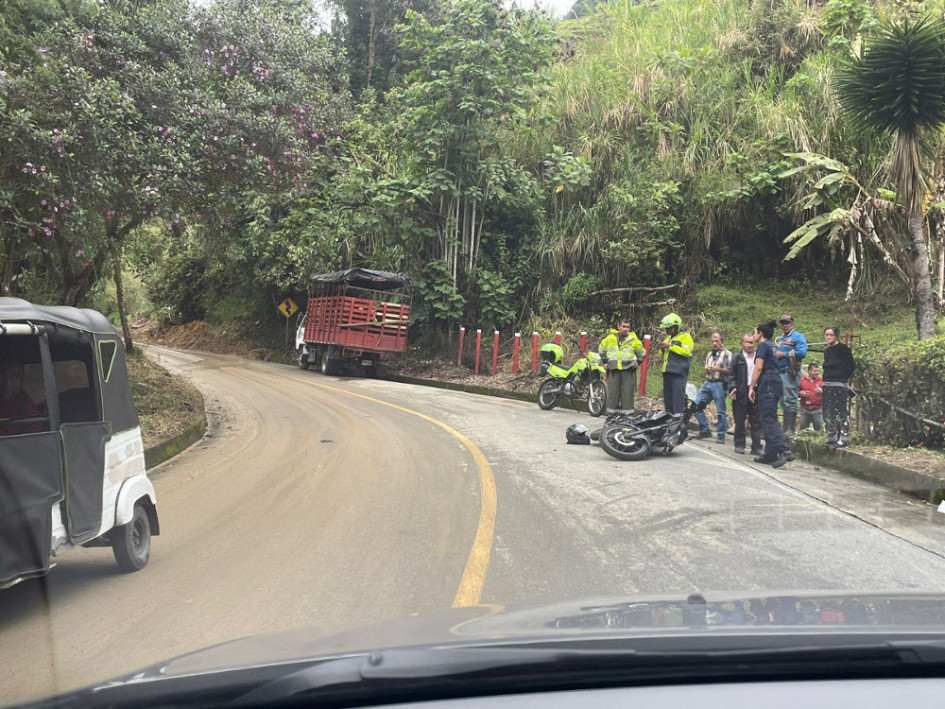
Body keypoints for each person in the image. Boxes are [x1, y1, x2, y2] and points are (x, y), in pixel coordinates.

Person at [749, 320, 794, 468]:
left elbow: (758, 367)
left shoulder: (763, 345)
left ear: (760, 334)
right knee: (771, 417)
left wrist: (751, 386)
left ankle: (785, 450)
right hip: (775, 383)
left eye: (754, 332)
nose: (753, 335)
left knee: (767, 419)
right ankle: (770, 453)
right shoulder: (771, 346)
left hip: (767, 383)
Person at [598, 317, 646, 416]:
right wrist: (605, 362)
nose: (625, 329)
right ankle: (611, 417)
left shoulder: (633, 339)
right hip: (614, 370)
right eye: (623, 326)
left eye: (627, 327)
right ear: (618, 326)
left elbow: (642, 352)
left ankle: (627, 418)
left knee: (627, 395)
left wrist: (639, 362)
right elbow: (601, 349)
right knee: (613, 395)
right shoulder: (610, 338)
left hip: (628, 370)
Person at [728, 333, 763, 455]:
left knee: (756, 421)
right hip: (741, 391)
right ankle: (739, 444)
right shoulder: (737, 358)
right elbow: (731, 375)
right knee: (740, 420)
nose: (749, 345)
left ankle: (756, 446)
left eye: (752, 342)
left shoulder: (759, 357)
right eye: (747, 342)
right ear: (742, 343)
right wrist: (732, 388)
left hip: (756, 391)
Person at [694, 332, 732, 443]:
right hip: (708, 382)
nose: (714, 343)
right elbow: (707, 367)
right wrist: (708, 370)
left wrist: (718, 369)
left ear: (722, 342)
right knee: (696, 405)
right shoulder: (710, 354)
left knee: (720, 411)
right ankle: (705, 430)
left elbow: (731, 371)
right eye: (713, 341)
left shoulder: (727, 354)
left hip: (720, 383)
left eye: (717, 341)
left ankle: (721, 435)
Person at [822, 326, 856, 447]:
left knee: (840, 410)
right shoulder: (827, 351)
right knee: (828, 411)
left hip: (838, 383)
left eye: (831, 335)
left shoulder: (843, 349)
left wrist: (843, 378)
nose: (828, 337)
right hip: (827, 383)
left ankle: (843, 437)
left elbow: (851, 366)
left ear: (836, 336)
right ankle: (831, 436)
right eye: (826, 335)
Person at [775, 314, 807, 438]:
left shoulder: (798, 337)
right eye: (783, 323)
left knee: (790, 399)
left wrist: (783, 354)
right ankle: (785, 428)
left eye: (787, 323)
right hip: (780, 372)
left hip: (790, 372)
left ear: (792, 324)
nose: (785, 325)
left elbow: (802, 353)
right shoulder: (780, 339)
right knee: (783, 400)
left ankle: (791, 428)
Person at [658, 313, 694, 415]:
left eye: (670, 328)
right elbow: (662, 357)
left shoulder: (685, 337)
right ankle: (669, 423)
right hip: (667, 372)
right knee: (668, 400)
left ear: (676, 327)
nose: (668, 330)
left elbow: (687, 352)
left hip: (678, 373)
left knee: (678, 400)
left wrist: (671, 346)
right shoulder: (668, 339)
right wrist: (662, 350)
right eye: (666, 328)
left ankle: (679, 424)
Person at [0, 360, 42, 436]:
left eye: (15, 376)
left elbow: (34, 439)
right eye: (2, 375)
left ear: (22, 378)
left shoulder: (28, 407)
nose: (8, 383)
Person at [799, 363, 824, 432]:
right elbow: (795, 393)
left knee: (819, 432)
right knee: (802, 431)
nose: (817, 373)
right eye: (815, 371)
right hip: (805, 410)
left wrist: (822, 391)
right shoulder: (802, 381)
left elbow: (828, 395)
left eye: (818, 371)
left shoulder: (822, 382)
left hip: (818, 411)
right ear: (809, 371)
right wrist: (800, 393)